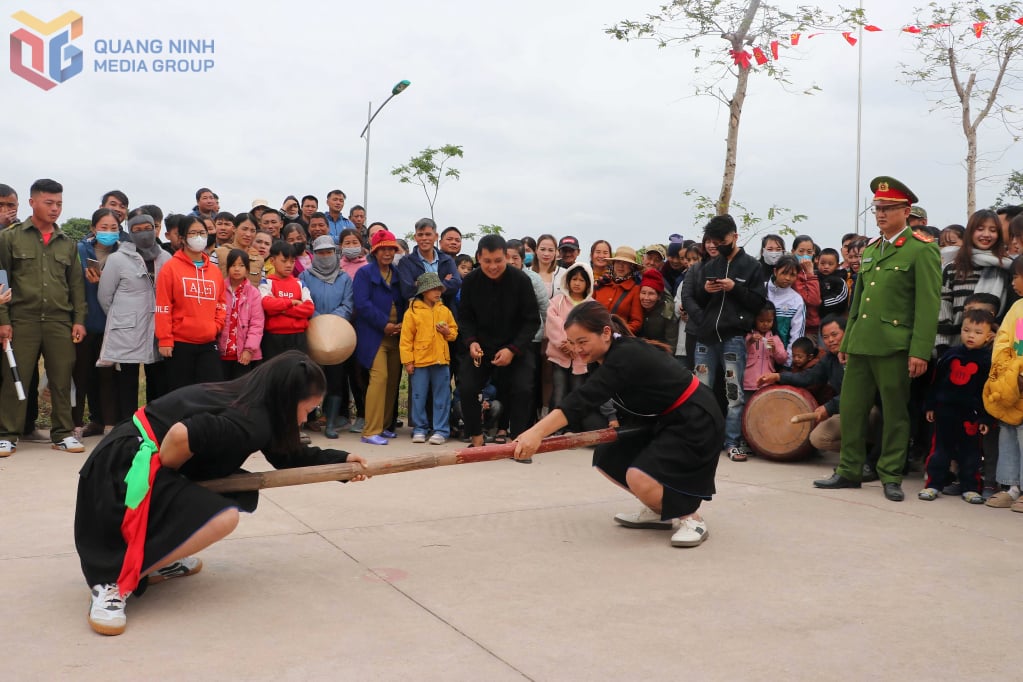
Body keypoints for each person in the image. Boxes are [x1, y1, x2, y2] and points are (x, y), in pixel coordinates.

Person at [74, 351, 369, 636]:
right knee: (222, 517)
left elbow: (289, 456)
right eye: (306, 410)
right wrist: (169, 477)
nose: (305, 419)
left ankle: (157, 556)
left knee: (236, 490)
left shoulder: (256, 403)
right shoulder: (248, 421)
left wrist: (342, 461)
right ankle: (112, 580)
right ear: (287, 400)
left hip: (130, 452)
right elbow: (180, 435)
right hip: (119, 471)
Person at [514, 301, 723, 548]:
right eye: (573, 343)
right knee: (609, 456)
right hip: (660, 418)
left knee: (639, 476)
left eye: (583, 342)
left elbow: (582, 399)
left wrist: (536, 432)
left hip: (694, 419)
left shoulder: (625, 354)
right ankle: (660, 510)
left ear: (605, 333)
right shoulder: (601, 357)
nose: (578, 350)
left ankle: (690, 518)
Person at [814, 176, 941, 502]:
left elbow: (928, 306)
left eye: (887, 208)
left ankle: (890, 474)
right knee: (853, 409)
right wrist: (847, 341)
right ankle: (849, 470)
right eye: (877, 209)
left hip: (895, 347)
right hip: (861, 345)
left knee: (895, 414)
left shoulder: (921, 249)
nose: (881, 214)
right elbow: (858, 303)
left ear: (906, 210)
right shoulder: (871, 249)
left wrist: (920, 351)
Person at [0, 179, 87, 456]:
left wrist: (79, 319)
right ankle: (7, 434)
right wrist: (3, 319)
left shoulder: (67, 243)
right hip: (21, 320)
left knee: (61, 379)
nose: (55, 209)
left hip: (59, 321)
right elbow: (2, 281)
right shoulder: (10, 238)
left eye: (59, 203)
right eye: (49, 203)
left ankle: (62, 433)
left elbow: (76, 285)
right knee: (16, 377)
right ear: (32, 203)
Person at [683, 214, 767, 461]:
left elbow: (758, 302)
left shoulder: (753, 266)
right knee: (700, 391)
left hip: (733, 337)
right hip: (706, 337)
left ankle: (732, 442)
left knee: (734, 393)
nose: (718, 245)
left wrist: (735, 288)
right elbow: (695, 300)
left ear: (735, 236)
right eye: (714, 241)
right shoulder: (710, 266)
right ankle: (700, 440)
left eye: (722, 240)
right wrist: (706, 290)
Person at [458, 234, 540, 448]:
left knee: (523, 389)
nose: (493, 267)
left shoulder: (521, 281)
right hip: (481, 346)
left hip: (516, 346)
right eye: (487, 261)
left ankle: (520, 443)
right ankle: (476, 440)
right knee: (466, 387)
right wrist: (471, 341)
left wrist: (513, 349)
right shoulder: (470, 281)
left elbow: (532, 321)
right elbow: (465, 317)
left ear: (506, 257)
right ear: (479, 258)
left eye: (498, 261)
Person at [97, 213, 173, 425]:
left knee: (157, 378)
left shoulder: (165, 258)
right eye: (137, 229)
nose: (143, 233)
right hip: (126, 329)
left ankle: (154, 424)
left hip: (158, 327)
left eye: (147, 228)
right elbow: (105, 297)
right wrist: (121, 318)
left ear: (155, 229)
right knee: (127, 381)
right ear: (130, 232)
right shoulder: (117, 259)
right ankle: (127, 427)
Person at [919, 308, 996, 503]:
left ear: (989, 336)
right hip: (945, 412)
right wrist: (931, 406)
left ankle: (970, 487)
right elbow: (935, 383)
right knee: (939, 451)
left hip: (971, 416)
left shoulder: (989, 362)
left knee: (970, 454)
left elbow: (989, 392)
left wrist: (986, 417)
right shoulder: (950, 355)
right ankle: (933, 484)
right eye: (966, 330)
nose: (971, 336)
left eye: (978, 333)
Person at [758, 315, 849, 455]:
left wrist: (829, 407)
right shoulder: (829, 359)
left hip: (867, 408)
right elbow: (808, 377)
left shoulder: (859, 355)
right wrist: (778, 376)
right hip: (844, 409)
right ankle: (859, 453)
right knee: (818, 439)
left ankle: (867, 455)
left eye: (834, 335)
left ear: (847, 332)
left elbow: (858, 392)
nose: (830, 340)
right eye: (825, 337)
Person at [155, 215, 226, 391]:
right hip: (180, 343)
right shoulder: (170, 268)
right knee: (181, 392)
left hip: (208, 342)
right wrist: (165, 339)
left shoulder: (214, 271)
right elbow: (163, 306)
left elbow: (221, 303)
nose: (199, 237)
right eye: (193, 233)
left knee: (211, 391)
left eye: (202, 232)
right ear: (183, 238)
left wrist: (216, 326)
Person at [353, 230, 408, 445]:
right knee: (380, 377)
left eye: (391, 249)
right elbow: (362, 304)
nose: (387, 253)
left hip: (396, 335)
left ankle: (384, 426)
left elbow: (403, 301)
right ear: (374, 251)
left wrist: (402, 323)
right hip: (374, 334)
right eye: (382, 249)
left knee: (393, 380)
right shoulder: (364, 273)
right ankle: (370, 430)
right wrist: (383, 324)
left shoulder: (397, 273)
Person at [299, 236, 354, 438]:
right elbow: (304, 301)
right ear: (314, 254)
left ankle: (330, 423)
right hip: (312, 333)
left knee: (335, 379)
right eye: (321, 252)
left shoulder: (344, 278)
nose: (325, 256)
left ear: (335, 253)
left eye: (329, 252)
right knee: (310, 378)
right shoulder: (305, 276)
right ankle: (308, 419)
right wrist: (319, 320)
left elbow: (348, 305)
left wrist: (331, 322)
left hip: (337, 336)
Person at [934, 209, 1011, 354]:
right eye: (980, 229)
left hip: (995, 352)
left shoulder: (1007, 268)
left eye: (993, 230)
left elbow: (1013, 312)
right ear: (970, 233)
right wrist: (942, 349)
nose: (986, 234)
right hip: (957, 350)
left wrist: (1000, 335)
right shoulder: (952, 269)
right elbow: (943, 312)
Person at [75, 208, 122, 439]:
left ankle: (110, 425)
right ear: (94, 228)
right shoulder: (80, 250)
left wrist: (106, 282)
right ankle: (76, 424)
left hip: (111, 325)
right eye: (104, 227)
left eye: (114, 228)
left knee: (107, 377)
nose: (109, 232)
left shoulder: (123, 253)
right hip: (84, 322)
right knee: (81, 375)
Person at [400, 272, 459, 445]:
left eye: (439, 289)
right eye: (433, 289)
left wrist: (448, 332)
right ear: (423, 291)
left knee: (442, 396)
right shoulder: (412, 312)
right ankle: (420, 428)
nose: (437, 292)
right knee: (418, 396)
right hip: (420, 361)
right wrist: (408, 362)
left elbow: (454, 333)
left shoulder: (444, 310)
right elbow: (406, 340)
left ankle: (441, 430)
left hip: (441, 361)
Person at [546, 263, 594, 411]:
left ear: (588, 283)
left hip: (581, 357)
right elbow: (553, 323)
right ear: (568, 280)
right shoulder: (557, 302)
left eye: (582, 280)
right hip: (560, 355)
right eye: (574, 279)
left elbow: (590, 330)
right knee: (559, 392)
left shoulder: (592, 306)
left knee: (577, 391)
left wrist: (576, 346)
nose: (577, 283)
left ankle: (572, 428)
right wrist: (564, 343)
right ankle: (553, 429)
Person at [259, 241, 314, 359]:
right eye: (284, 261)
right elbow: (267, 304)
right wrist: (292, 302)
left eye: (292, 261)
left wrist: (280, 308)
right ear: (272, 261)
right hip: (273, 338)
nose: (289, 265)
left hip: (298, 337)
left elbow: (309, 308)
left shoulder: (300, 283)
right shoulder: (266, 282)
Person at [218, 249, 265, 381]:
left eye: (241, 265)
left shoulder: (253, 293)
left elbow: (257, 324)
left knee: (240, 391)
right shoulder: (219, 288)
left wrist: (249, 350)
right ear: (227, 268)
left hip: (243, 354)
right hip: (221, 353)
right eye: (233, 265)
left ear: (247, 269)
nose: (237, 269)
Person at [397, 218, 462, 309]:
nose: (424, 238)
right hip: (418, 316)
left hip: (445, 315)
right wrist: (444, 282)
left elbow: (456, 284)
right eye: (420, 235)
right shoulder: (406, 262)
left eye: (428, 234)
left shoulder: (447, 260)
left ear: (435, 237)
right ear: (415, 237)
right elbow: (407, 291)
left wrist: (420, 284)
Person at [593, 246, 644, 334]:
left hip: (618, 340)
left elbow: (636, 322)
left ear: (632, 267)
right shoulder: (601, 284)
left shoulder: (635, 290)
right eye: (618, 262)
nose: (621, 265)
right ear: (613, 264)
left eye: (625, 263)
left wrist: (617, 333)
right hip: (594, 335)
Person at [767, 255, 806, 366]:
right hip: (755, 356)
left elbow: (797, 334)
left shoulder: (797, 301)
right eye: (784, 273)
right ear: (775, 271)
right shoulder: (761, 290)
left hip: (781, 358)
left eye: (792, 275)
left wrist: (788, 362)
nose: (788, 278)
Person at [636, 268, 678, 349]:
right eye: (643, 293)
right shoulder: (635, 307)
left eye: (651, 294)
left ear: (659, 296)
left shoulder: (667, 313)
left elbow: (671, 345)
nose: (646, 298)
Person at [790, 236, 822, 339]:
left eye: (809, 252)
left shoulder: (816, 273)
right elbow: (809, 299)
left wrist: (810, 273)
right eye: (801, 251)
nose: (805, 256)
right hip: (794, 326)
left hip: (811, 329)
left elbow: (815, 300)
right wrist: (810, 274)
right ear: (793, 252)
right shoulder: (792, 273)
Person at [816, 248, 849, 320]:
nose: (826, 266)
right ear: (817, 262)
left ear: (837, 266)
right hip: (815, 318)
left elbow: (841, 297)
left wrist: (821, 303)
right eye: (822, 263)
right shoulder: (814, 277)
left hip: (834, 318)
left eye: (830, 264)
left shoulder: (839, 280)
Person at [531, 234, 564, 299]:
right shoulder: (526, 273)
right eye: (542, 249)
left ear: (556, 252)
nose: (546, 254)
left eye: (550, 250)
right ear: (536, 250)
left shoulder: (564, 274)